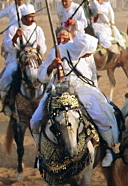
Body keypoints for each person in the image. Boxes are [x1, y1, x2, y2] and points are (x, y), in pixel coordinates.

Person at [31, 28, 120, 167]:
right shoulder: (57, 51)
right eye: (88, 52)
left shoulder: (86, 54)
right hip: (58, 91)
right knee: (35, 121)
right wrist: (51, 67)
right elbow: (42, 76)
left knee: (102, 116)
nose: (89, 55)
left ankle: (109, 149)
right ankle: (40, 153)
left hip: (84, 90)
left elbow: (92, 75)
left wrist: (95, 92)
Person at [0, 4, 47, 115]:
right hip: (17, 59)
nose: (32, 19)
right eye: (29, 17)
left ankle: (48, 99)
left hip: (34, 59)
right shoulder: (13, 28)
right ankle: (6, 101)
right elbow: (7, 46)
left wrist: (37, 49)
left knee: (47, 74)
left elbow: (43, 46)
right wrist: (15, 37)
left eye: (33, 16)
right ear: (23, 17)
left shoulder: (38, 30)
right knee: (7, 75)